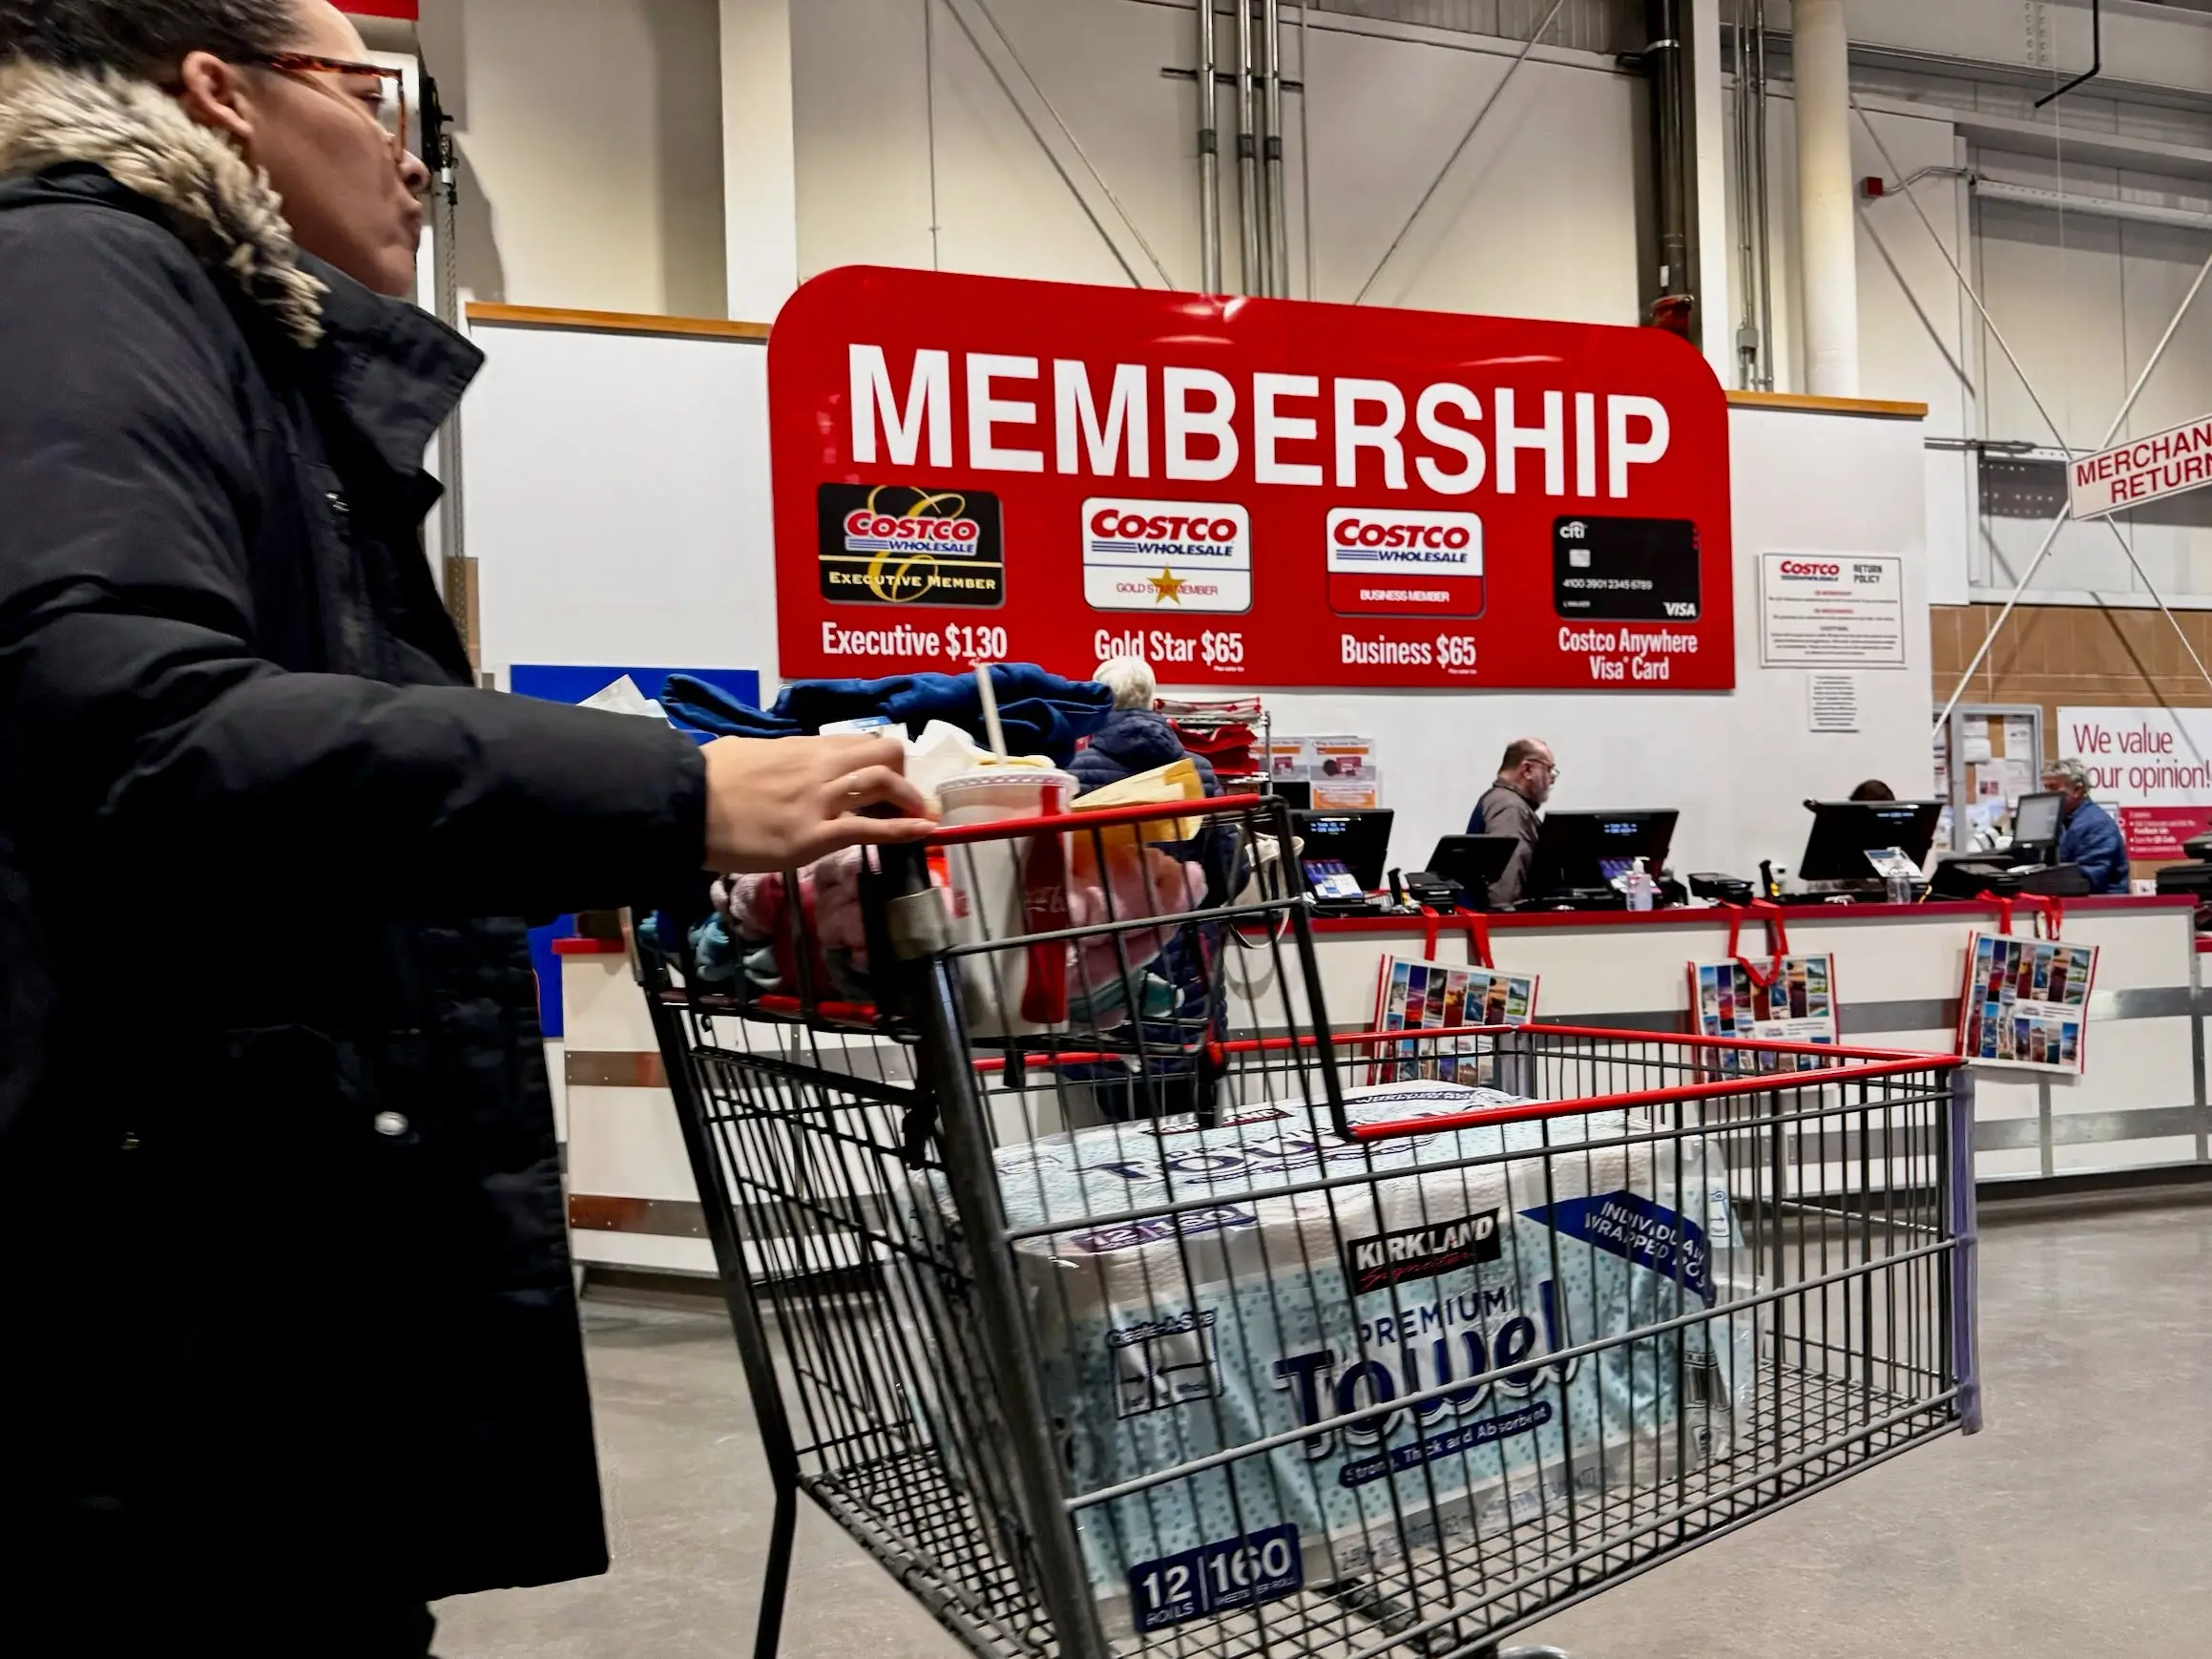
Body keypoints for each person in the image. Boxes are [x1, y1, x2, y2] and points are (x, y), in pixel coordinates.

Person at [0, 4, 934, 1651]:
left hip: (233, 1331)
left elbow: (316, 836)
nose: (416, 153)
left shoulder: (238, 362)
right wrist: (679, 793)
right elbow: (131, 722)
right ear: (218, 91)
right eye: (376, 94)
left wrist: (695, 856)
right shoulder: (85, 272)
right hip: (146, 1352)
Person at [1467, 737, 1557, 906]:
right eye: (1548, 769)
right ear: (1527, 769)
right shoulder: (1510, 808)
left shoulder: (1499, 800)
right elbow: (1506, 884)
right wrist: (1508, 923)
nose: (1552, 779)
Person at [2042, 757, 2131, 893]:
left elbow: (2090, 878)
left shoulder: (2097, 825)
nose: (2046, 794)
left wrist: (2041, 879)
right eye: (2045, 787)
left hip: (2102, 909)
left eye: (2053, 788)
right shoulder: (2062, 821)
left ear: (2077, 789)